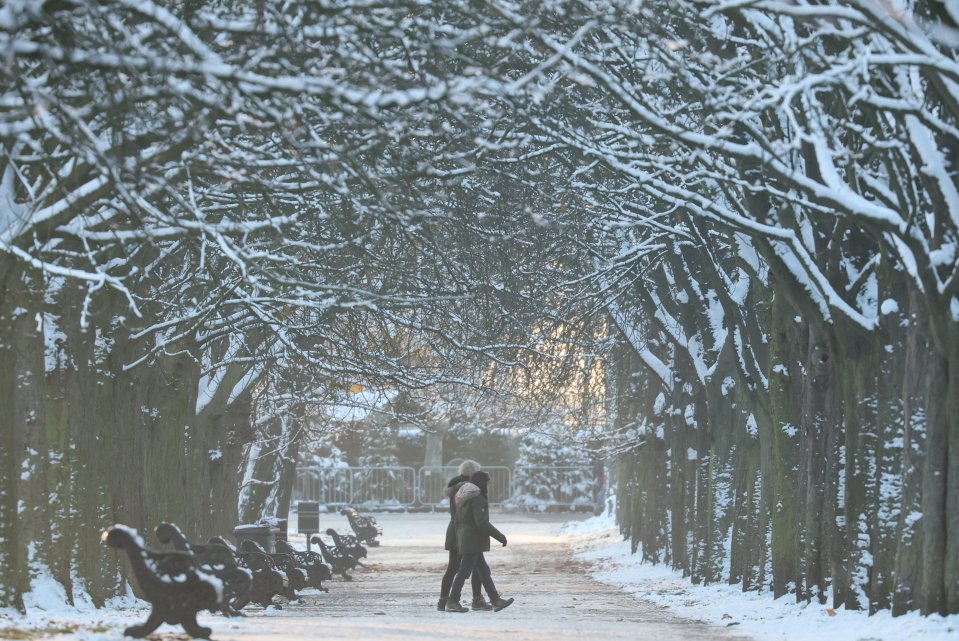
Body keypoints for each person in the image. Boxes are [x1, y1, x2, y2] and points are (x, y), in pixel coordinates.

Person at [445, 470, 514, 613]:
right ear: (482, 483)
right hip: (473, 541)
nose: (488, 485)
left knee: (483, 571)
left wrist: (461, 537)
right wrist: (500, 536)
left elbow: (457, 519)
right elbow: (482, 523)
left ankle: (495, 599)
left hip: (468, 540)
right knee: (464, 572)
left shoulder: (464, 496)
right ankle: (452, 601)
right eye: (487, 482)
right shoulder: (477, 498)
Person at [437, 460, 491, 611]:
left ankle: (443, 600)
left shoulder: (456, 486)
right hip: (465, 533)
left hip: (455, 531)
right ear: (473, 473)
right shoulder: (468, 489)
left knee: (454, 567)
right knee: (477, 568)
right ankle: (475, 600)